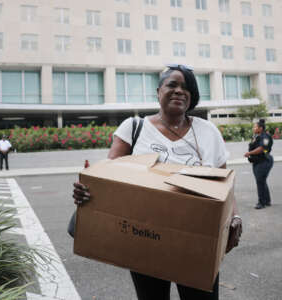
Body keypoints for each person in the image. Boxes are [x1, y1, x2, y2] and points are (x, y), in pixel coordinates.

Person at [73, 64, 243, 300]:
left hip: (197, 242)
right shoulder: (134, 128)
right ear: (158, 91)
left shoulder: (208, 131)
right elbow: (107, 179)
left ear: (192, 96)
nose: (179, 91)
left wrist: (234, 217)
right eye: (172, 85)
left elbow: (225, 186)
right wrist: (88, 190)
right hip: (145, 238)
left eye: (186, 87)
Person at [244, 119, 274, 209]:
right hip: (257, 161)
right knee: (262, 181)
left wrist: (250, 153)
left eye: (255, 126)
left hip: (264, 161)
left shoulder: (265, 137)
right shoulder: (256, 136)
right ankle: (267, 201)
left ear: (260, 128)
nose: (253, 128)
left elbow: (262, 148)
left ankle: (261, 202)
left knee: (260, 181)